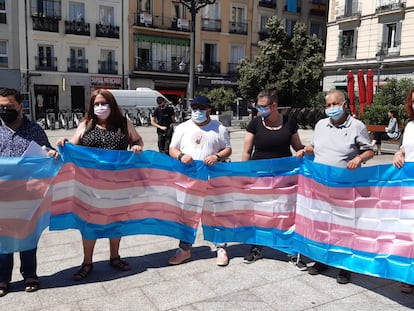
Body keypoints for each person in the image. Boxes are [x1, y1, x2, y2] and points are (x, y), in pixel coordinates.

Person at [56, 89, 144, 281]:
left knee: (116, 220)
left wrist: (137, 146)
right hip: (90, 184)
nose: (100, 107)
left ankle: (115, 257)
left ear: (112, 105)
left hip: (118, 183)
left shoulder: (123, 123)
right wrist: (64, 142)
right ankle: (87, 262)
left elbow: (137, 140)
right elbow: (72, 145)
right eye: (96, 104)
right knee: (90, 222)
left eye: (104, 103)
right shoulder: (86, 124)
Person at [300, 89, 374, 284]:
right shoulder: (320, 125)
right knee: (323, 224)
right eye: (327, 105)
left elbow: (369, 151)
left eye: (334, 104)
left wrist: (359, 158)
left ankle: (344, 265)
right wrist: (305, 150)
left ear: (344, 105)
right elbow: (315, 148)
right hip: (321, 185)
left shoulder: (357, 126)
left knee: (343, 226)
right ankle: (322, 259)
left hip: (345, 187)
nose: (330, 108)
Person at [0, 87, 57, 297]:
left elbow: (48, 152)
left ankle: (30, 274)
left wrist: (51, 153)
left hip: (28, 194)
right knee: (2, 238)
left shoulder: (34, 130)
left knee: (27, 235)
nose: (4, 111)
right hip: (2, 196)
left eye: (8, 107)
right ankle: (3, 279)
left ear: (20, 106)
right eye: (0, 107)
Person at [241, 89, 305, 264]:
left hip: (284, 177)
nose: (259, 109)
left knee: (284, 213)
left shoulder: (289, 123)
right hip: (259, 176)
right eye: (258, 106)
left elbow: (298, 147)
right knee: (259, 213)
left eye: (262, 106)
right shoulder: (255, 123)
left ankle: (290, 250)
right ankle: (256, 248)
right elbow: (247, 151)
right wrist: (244, 175)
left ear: (274, 105)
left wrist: (303, 152)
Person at [168, 95, 232, 266]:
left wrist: (217, 156)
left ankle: (220, 247)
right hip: (188, 180)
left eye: (201, 108)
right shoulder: (182, 127)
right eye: (194, 108)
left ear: (209, 109)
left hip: (212, 179)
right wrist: (181, 156)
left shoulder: (218, 128)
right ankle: (185, 249)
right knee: (187, 215)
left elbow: (228, 149)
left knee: (214, 214)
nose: (197, 111)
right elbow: (172, 149)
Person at [392, 87, 414, 294]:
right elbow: (406, 148)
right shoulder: (410, 126)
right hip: (409, 184)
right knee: (409, 230)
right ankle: (409, 275)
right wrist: (399, 153)